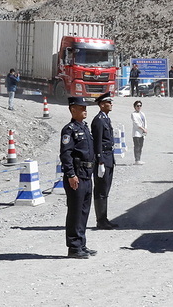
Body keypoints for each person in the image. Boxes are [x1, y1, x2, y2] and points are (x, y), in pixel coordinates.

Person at [59, 96, 97, 259]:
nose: (85, 110)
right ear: (73, 109)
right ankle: (74, 247)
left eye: (85, 108)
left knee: (84, 211)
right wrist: (71, 174)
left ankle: (81, 243)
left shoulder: (84, 127)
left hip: (87, 175)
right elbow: (65, 154)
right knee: (75, 211)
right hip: (77, 176)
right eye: (82, 108)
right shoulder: (69, 130)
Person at [91, 92, 118, 230]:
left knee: (105, 189)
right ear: (102, 105)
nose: (111, 104)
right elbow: (97, 142)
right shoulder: (99, 120)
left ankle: (104, 218)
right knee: (101, 190)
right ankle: (100, 220)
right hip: (103, 159)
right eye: (109, 102)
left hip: (109, 157)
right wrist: (100, 161)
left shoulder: (106, 119)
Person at [131, 100, 147, 165]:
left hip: (142, 133)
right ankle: (136, 160)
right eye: (137, 106)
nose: (139, 107)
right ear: (135, 107)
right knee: (137, 146)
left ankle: (139, 159)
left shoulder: (142, 113)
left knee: (141, 146)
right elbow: (136, 123)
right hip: (136, 133)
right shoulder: (133, 114)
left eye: (140, 106)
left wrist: (145, 129)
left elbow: (145, 122)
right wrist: (143, 128)